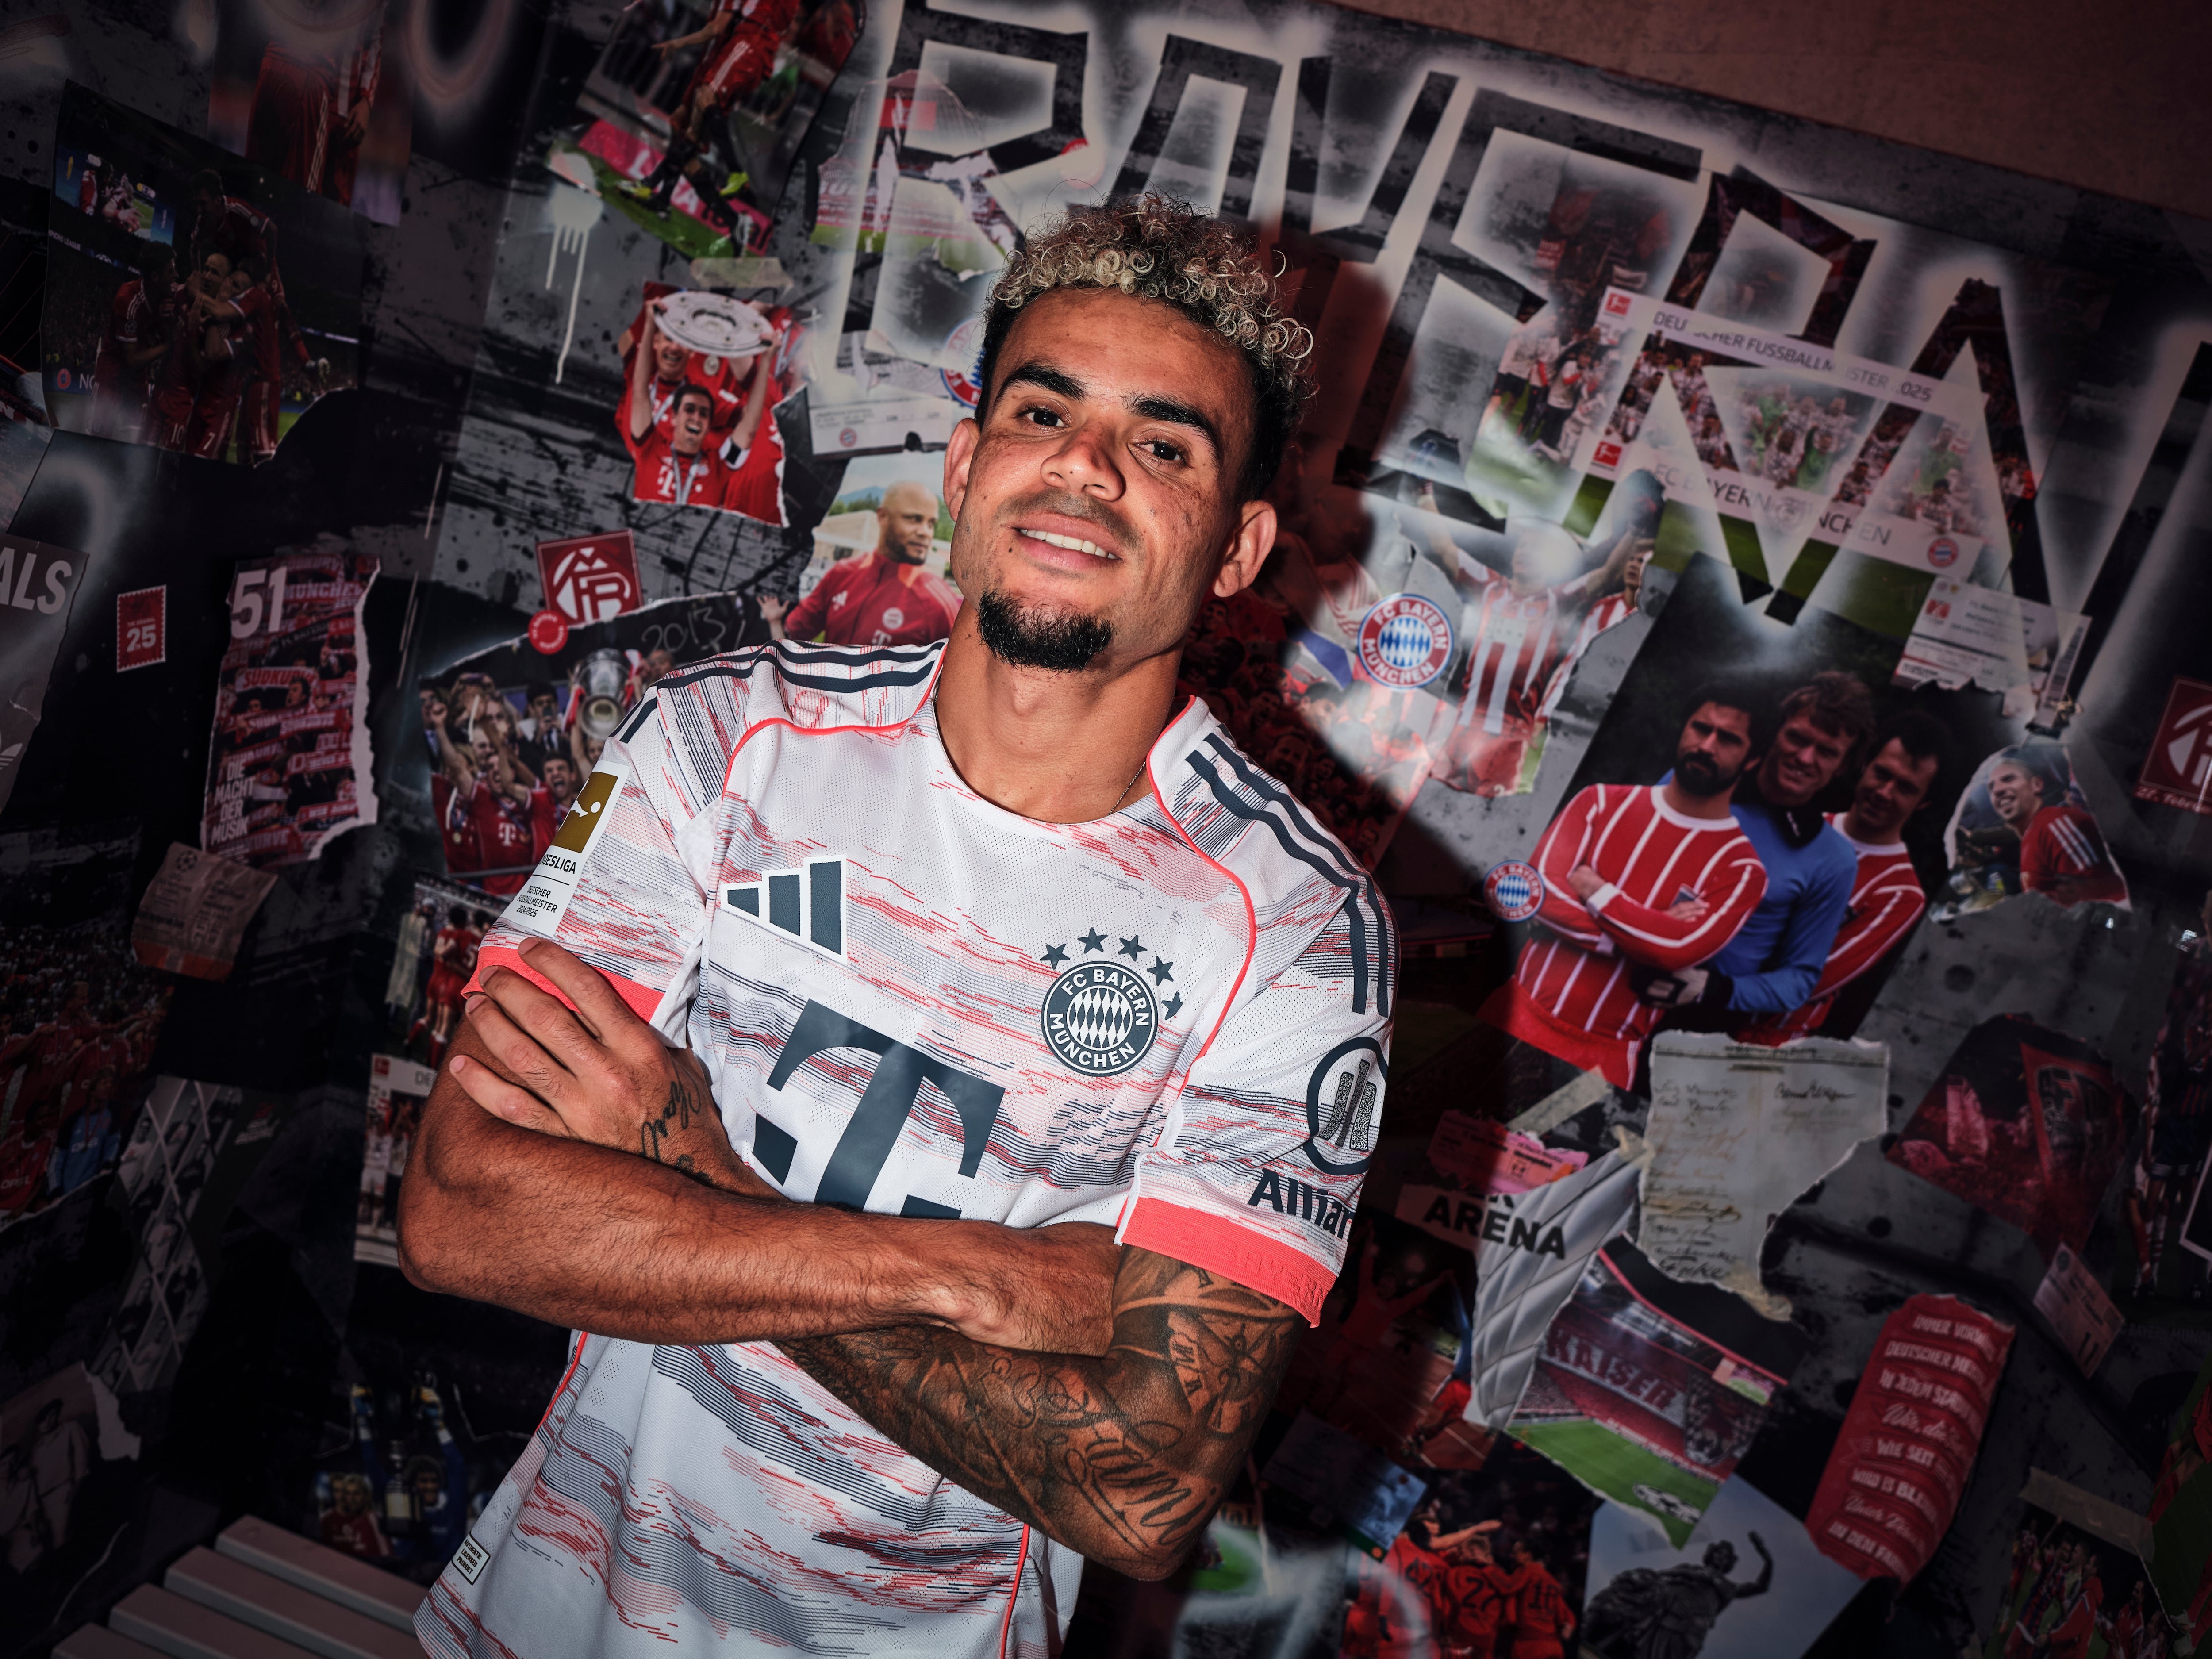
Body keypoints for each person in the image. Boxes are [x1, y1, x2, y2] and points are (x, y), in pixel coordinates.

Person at [399, 197, 1394, 1656]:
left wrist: (689, 1162)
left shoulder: (1296, 928)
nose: (1085, 466)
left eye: (1165, 446)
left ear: (1240, 548)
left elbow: (1140, 1490)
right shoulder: (722, 737)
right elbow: (458, 1210)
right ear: (968, 465)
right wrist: (971, 1274)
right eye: (1043, 412)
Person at [1478, 681, 1771, 1088]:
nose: (1707, 746)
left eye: (1729, 739)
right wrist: (1645, 935)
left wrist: (1594, 890)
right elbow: (1534, 894)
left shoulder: (1742, 870)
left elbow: (1676, 949)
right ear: (1684, 729)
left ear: (1753, 759)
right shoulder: (1599, 803)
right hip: (1515, 1014)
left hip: (1604, 1058)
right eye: (1701, 728)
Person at [1640, 672, 1871, 1024]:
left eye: (1826, 752)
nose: (1805, 758)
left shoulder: (1833, 859)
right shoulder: (1693, 779)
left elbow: (1799, 980)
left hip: (1696, 1019)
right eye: (1796, 738)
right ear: (1773, 733)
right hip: (1614, 969)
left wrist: (1712, 989)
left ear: (1844, 766)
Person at [1737, 712, 1944, 1044]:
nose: (1885, 793)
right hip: (1690, 997)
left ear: (1924, 802)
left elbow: (1811, 982)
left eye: (1906, 788)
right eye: (1882, 774)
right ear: (1864, 765)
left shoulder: (1900, 893)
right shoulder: (1797, 822)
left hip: (1765, 1042)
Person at [1431, 498, 1651, 797]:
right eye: (1522, 547)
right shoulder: (1490, 587)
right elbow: (1444, 548)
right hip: (1463, 726)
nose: (1525, 553)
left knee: (1483, 812)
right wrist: (1425, 495)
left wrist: (1634, 530)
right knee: (1435, 799)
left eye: (1535, 550)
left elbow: (1607, 574)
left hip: (1507, 736)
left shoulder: (1556, 601)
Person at [624, 0, 803, 240]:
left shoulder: (756, 14)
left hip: (735, 54)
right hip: (722, 60)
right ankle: (726, 218)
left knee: (697, 115)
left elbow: (717, 28)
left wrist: (679, 42)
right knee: (683, 131)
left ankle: (730, 174)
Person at [763, 480, 961, 647]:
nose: (925, 532)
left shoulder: (938, 603)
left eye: (931, 523)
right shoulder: (842, 574)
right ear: (882, 517)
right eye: (914, 519)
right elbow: (791, 643)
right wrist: (774, 622)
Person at [1581, 1533, 1771, 1659]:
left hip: (1690, 1623)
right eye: (1719, 1553)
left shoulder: (1729, 1587)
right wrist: (1687, 1574)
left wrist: (1767, 1559)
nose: (1721, 1557)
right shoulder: (1691, 1568)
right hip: (1663, 1605)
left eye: (1726, 1556)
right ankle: (1594, 1636)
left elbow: (1760, 1587)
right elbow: (1662, 1574)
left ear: (1729, 1563)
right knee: (1630, 1620)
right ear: (1712, 1554)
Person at [1987, 754, 2129, 907]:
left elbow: (2110, 896)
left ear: (2036, 785)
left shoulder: (2054, 824)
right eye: (1991, 788)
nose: (1997, 790)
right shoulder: (2032, 836)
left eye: (2008, 779)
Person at [89, 247, 174, 442]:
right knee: (97, 441)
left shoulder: (168, 295)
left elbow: (190, 290)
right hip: (112, 373)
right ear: (156, 277)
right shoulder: (128, 300)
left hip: (137, 379)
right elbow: (132, 359)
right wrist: (168, 345)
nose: (175, 276)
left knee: (136, 444)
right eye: (171, 271)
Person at [1496, 1534, 1576, 1659]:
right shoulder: (1553, 1582)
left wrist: (1489, 1568)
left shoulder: (1526, 1571)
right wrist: (1571, 1624)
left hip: (1529, 1646)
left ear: (1528, 1555)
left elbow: (1507, 1589)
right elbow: (1564, 1616)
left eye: (1517, 1552)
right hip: (1554, 1646)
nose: (1512, 1556)